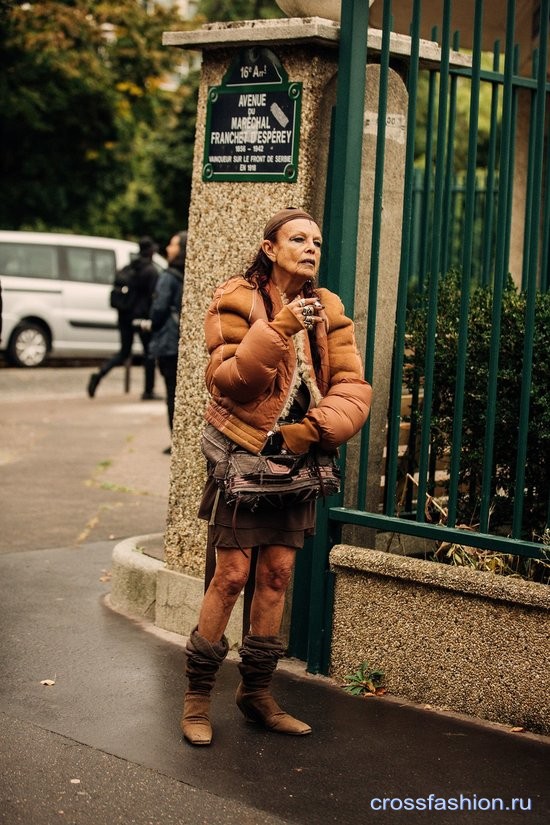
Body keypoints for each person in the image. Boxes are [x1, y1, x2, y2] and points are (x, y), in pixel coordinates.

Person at [181, 207, 372, 746]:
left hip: (295, 459)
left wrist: (309, 431)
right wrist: (281, 328)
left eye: (316, 239)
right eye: (297, 238)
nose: (310, 247)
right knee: (232, 575)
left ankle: (257, 694)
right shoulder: (235, 298)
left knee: (277, 576)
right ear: (270, 247)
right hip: (242, 458)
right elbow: (230, 381)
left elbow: (353, 386)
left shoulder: (329, 306)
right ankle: (197, 697)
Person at [87, 236, 159, 399]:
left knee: (124, 352)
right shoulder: (150, 271)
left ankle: (99, 374)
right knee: (149, 354)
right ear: (151, 252)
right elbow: (154, 296)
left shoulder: (129, 268)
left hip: (125, 316)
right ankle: (148, 391)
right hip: (142, 318)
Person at [148, 231, 187, 453]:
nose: (168, 249)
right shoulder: (187, 275)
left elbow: (159, 309)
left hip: (168, 342)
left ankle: (175, 440)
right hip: (179, 339)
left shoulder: (168, 277)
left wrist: (153, 324)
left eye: (173, 245)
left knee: (171, 393)